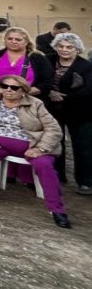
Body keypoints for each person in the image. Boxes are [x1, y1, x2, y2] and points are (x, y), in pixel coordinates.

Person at [0, 75, 71, 229]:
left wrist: (40, 148)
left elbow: (54, 129)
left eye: (14, 88)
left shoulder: (36, 104)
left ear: (24, 91)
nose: (8, 90)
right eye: (5, 86)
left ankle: (57, 209)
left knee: (45, 165)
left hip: (33, 144)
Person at [46, 33, 92, 190]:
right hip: (52, 110)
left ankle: (85, 181)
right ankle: (57, 176)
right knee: (55, 143)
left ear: (77, 49)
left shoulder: (86, 66)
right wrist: (50, 91)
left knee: (83, 146)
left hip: (80, 111)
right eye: (61, 46)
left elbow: (88, 89)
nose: (64, 50)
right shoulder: (48, 60)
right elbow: (41, 79)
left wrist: (63, 96)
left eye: (69, 47)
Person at [0, 26, 53, 96]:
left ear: (26, 42)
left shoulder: (38, 58)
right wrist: (1, 91)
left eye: (18, 39)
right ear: (5, 40)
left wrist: (22, 94)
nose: (13, 41)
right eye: (10, 39)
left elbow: (46, 81)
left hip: (29, 98)